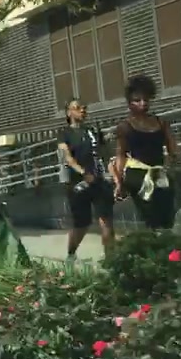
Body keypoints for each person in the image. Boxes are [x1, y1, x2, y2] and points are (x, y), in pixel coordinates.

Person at [113, 75, 181, 230]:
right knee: (150, 213)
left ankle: (165, 238)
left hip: (159, 173)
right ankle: (152, 235)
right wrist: (119, 182)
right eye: (137, 100)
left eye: (146, 99)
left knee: (168, 211)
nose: (143, 103)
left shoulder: (161, 123)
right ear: (129, 103)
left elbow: (174, 149)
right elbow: (121, 155)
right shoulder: (125, 127)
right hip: (138, 174)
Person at [57, 98, 116, 263]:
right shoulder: (64, 134)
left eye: (84, 108)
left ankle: (111, 258)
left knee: (106, 220)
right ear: (69, 112)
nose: (82, 111)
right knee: (82, 224)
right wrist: (83, 172)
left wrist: (113, 175)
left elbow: (105, 153)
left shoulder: (93, 132)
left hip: (99, 181)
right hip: (78, 184)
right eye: (77, 108)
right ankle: (71, 253)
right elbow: (68, 158)